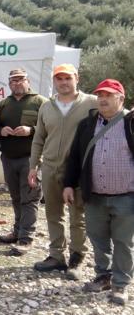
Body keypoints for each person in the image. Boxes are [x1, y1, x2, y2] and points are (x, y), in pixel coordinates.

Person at [63, 79, 133, 306]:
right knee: (98, 238)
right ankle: (103, 275)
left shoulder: (131, 123)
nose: (102, 99)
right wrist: (68, 184)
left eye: (109, 95)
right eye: (100, 94)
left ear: (121, 99)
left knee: (123, 242)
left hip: (126, 195)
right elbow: (74, 156)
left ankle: (120, 285)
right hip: (94, 195)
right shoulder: (87, 124)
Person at [28, 64, 96, 278]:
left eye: (68, 78)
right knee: (53, 213)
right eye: (59, 78)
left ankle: (77, 257)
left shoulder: (92, 103)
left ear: (77, 78)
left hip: (78, 169)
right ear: (54, 81)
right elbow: (39, 138)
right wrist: (33, 166)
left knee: (78, 215)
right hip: (50, 167)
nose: (64, 82)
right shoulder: (47, 107)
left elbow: (115, 115)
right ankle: (56, 255)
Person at [0, 68, 47, 256]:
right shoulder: (3, 104)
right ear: (9, 84)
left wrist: (31, 130)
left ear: (28, 81)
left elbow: (49, 127)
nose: (17, 83)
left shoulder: (40, 102)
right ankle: (17, 232)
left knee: (30, 198)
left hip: (31, 159)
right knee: (16, 197)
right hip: (8, 158)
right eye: (13, 81)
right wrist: (1, 131)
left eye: (20, 79)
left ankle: (26, 238)